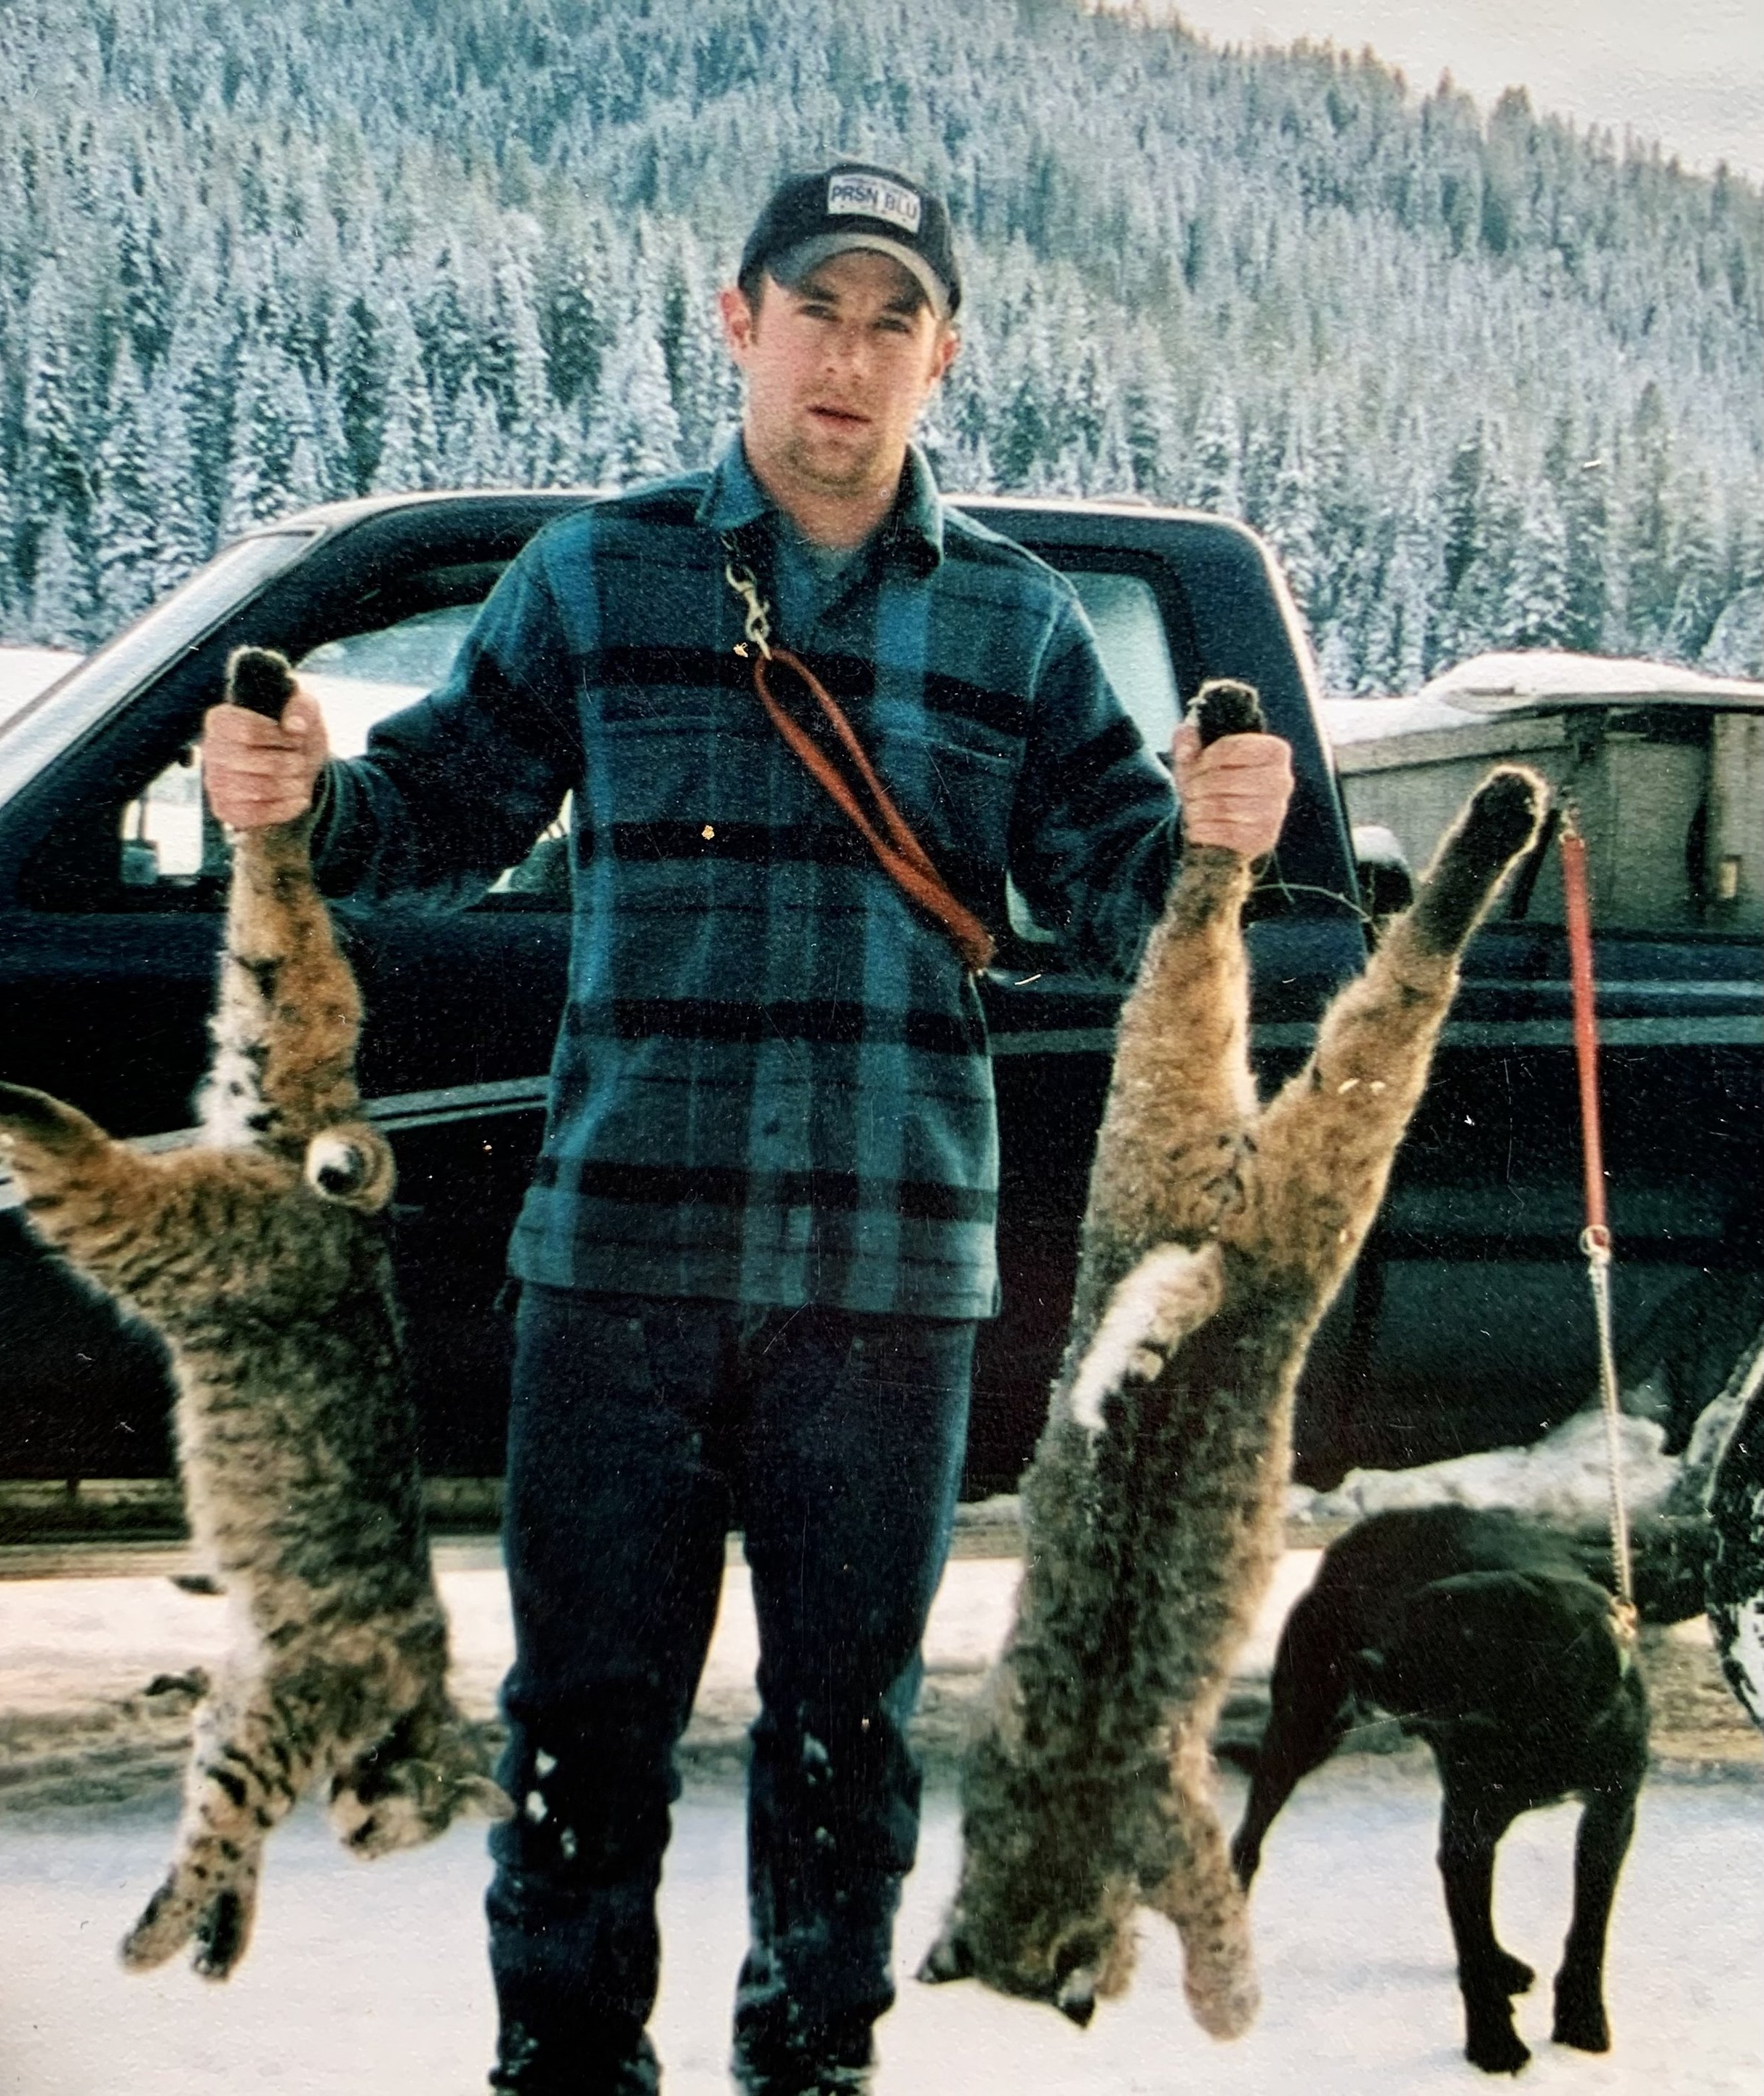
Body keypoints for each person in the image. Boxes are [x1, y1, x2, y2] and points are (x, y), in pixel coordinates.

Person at [203, 162, 1294, 2096]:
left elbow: (1114, 890)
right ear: (737, 320)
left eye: (894, 322)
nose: (848, 359)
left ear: (940, 353)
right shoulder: (596, 575)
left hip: (886, 1282)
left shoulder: (1017, 629)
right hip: (615, 1263)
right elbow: (436, 809)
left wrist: (1204, 846)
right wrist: (303, 797)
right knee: (579, 1726)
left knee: (842, 1735)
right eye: (817, 310)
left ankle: (810, 2068)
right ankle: (564, 2065)